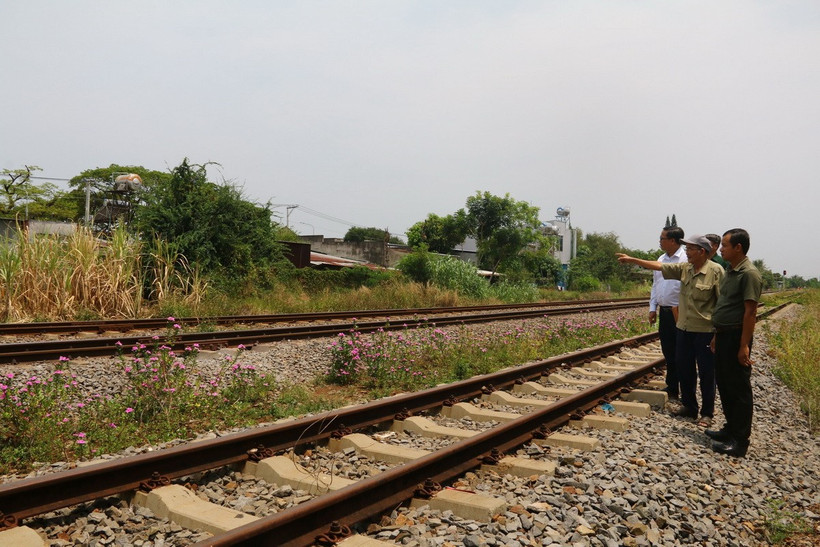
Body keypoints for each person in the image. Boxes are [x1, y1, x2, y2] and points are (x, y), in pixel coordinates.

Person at [617, 234, 724, 425]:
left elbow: (722, 304)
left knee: (708, 372)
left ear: (701, 251)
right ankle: (689, 407)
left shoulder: (716, 271)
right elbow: (658, 267)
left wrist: (718, 333)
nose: (687, 253)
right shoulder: (685, 269)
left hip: (705, 330)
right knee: (685, 368)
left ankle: (707, 412)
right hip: (684, 328)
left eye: (690, 249)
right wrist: (632, 260)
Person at [705, 228, 763, 457]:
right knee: (725, 384)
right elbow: (725, 307)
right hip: (724, 334)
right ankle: (729, 430)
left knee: (738, 389)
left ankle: (740, 441)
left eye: (725, 246)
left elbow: (750, 313)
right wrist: (716, 335)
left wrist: (743, 346)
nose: (720, 249)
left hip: (737, 337)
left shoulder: (749, 274)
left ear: (738, 248)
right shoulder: (731, 270)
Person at [649, 226, 686, 400]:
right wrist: (652, 307)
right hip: (664, 313)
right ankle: (672, 387)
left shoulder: (685, 259)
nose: (659, 240)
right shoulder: (660, 259)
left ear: (672, 241)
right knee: (668, 350)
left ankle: (684, 388)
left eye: (662, 238)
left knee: (682, 352)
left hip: (679, 312)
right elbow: (655, 285)